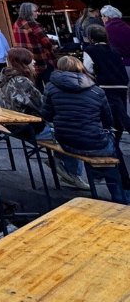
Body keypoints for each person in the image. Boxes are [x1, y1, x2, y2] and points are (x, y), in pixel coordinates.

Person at [41, 56, 129, 204]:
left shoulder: (51, 87)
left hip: (66, 139)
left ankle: (88, 173)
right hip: (92, 141)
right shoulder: (96, 90)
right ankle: (122, 198)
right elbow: (107, 120)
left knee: (90, 144)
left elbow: (47, 115)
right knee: (113, 156)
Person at [0, 48, 85, 188]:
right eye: (31, 60)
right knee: (72, 133)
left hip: (16, 125)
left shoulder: (4, 79)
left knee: (66, 130)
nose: (34, 62)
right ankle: (72, 173)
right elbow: (42, 106)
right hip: (30, 128)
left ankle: (63, 164)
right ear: (24, 62)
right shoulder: (22, 82)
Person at [82, 25, 129, 179]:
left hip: (104, 86)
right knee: (120, 117)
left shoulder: (91, 50)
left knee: (109, 121)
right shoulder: (114, 50)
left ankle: (112, 146)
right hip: (120, 85)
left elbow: (88, 68)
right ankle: (117, 134)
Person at [12, 3, 57, 84]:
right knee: (50, 83)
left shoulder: (16, 24)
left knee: (36, 84)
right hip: (40, 58)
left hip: (26, 60)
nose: (37, 13)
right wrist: (53, 45)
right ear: (29, 12)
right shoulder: (33, 24)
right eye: (35, 11)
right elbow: (46, 42)